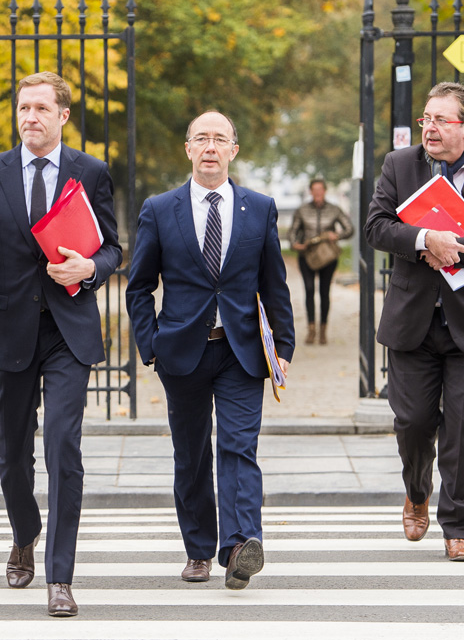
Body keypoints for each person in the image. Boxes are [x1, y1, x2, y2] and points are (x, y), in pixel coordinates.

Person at [0, 71, 121, 616]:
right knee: (13, 453)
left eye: (42, 108)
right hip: (7, 329)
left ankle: (60, 575)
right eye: (23, 108)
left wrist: (91, 265)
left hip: (68, 330)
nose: (30, 118)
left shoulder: (90, 172)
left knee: (63, 448)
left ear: (63, 116)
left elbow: (113, 248)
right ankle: (25, 531)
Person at [125, 111, 295, 590]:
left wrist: (282, 344)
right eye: (201, 138)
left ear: (233, 150)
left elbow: (274, 281)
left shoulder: (259, 208)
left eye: (220, 139)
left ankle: (241, 546)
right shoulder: (160, 208)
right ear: (188, 149)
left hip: (242, 352)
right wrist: (150, 345)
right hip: (182, 352)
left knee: (240, 447)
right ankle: (199, 550)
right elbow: (138, 287)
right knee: (193, 456)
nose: (210, 147)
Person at [363, 82, 464, 562]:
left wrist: (454, 246)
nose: (429, 128)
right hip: (412, 319)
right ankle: (417, 492)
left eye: (441, 120)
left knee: (463, 427)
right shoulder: (400, 165)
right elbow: (376, 226)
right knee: (412, 421)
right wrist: (423, 238)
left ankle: (458, 528)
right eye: (425, 119)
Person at [288, 178, 354, 345]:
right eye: (314, 190)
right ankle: (311, 329)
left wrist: (336, 235)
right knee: (309, 290)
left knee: (325, 292)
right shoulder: (302, 210)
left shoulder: (334, 209)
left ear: (324, 191)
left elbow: (349, 229)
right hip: (307, 256)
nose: (317, 193)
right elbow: (292, 231)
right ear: (311, 191)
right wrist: (295, 243)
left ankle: (323, 330)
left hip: (327, 257)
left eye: (320, 189)